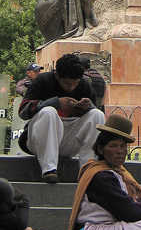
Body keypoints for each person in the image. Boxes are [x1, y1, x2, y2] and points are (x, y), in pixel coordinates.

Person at [19, 53, 105, 183]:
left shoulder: (84, 85)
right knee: (49, 112)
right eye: (67, 83)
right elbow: (23, 111)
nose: (71, 88)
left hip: (68, 139)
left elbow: (95, 117)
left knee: (97, 114)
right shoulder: (43, 80)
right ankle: (49, 169)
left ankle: (88, 170)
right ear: (57, 76)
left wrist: (88, 107)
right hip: (40, 139)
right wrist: (55, 103)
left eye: (75, 84)